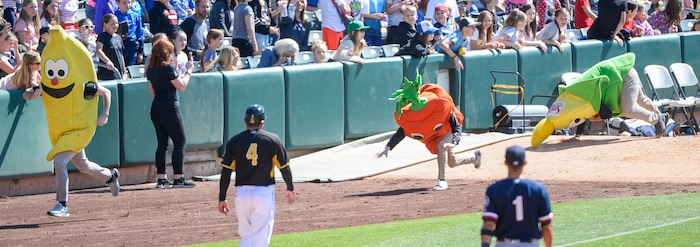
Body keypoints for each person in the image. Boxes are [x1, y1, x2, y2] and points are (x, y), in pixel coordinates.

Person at [31, 26, 120, 217]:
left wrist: (105, 113)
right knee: (84, 165)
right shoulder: (53, 84)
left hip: (80, 130)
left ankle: (62, 204)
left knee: (60, 161)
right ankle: (110, 176)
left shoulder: (83, 85)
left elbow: (106, 92)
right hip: (65, 131)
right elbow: (38, 92)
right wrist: (31, 93)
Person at [531, 52, 669, 147]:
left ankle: (656, 119)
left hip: (624, 74)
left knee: (629, 109)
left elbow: (606, 113)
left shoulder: (585, 96)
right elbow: (580, 113)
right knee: (641, 99)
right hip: (621, 76)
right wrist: (578, 135)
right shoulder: (578, 98)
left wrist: (597, 118)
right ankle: (661, 115)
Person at [376, 73, 482, 191]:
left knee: (441, 145)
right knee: (452, 162)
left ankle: (441, 181)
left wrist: (455, 141)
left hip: (448, 130)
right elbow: (403, 131)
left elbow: (456, 126)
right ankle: (475, 157)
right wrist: (388, 147)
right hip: (436, 134)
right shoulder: (414, 114)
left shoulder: (441, 105)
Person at [218, 103, 295, 247]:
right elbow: (284, 167)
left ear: (245, 121)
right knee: (260, 239)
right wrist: (290, 187)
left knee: (246, 238)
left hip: (242, 194)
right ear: (263, 121)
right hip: (263, 194)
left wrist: (222, 197)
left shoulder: (234, 141)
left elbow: (226, 172)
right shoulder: (272, 139)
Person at [147, 39, 197, 189]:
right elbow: (181, 86)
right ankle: (178, 177)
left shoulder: (150, 69)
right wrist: (189, 71)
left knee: (162, 144)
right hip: (170, 107)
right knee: (180, 142)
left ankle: (161, 178)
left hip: (156, 108)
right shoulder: (167, 68)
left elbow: (152, 92)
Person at [480, 145, 553, 247]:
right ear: (525, 163)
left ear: (505, 163)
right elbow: (546, 225)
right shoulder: (538, 188)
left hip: (503, 244)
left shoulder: (494, 189)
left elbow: (488, 225)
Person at [96, 14, 128, 80]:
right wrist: (107, 61)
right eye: (112, 24)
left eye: (116, 23)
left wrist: (124, 72)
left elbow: (121, 55)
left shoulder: (119, 37)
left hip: (119, 73)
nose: (115, 25)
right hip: (106, 74)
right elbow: (98, 50)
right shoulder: (102, 36)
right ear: (105, 24)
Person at [116, 0, 145, 66]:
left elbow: (140, 34)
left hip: (132, 46)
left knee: (131, 67)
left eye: (129, 2)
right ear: (117, 3)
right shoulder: (114, 16)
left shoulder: (135, 16)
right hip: (120, 46)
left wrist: (140, 52)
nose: (127, 5)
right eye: (124, 3)